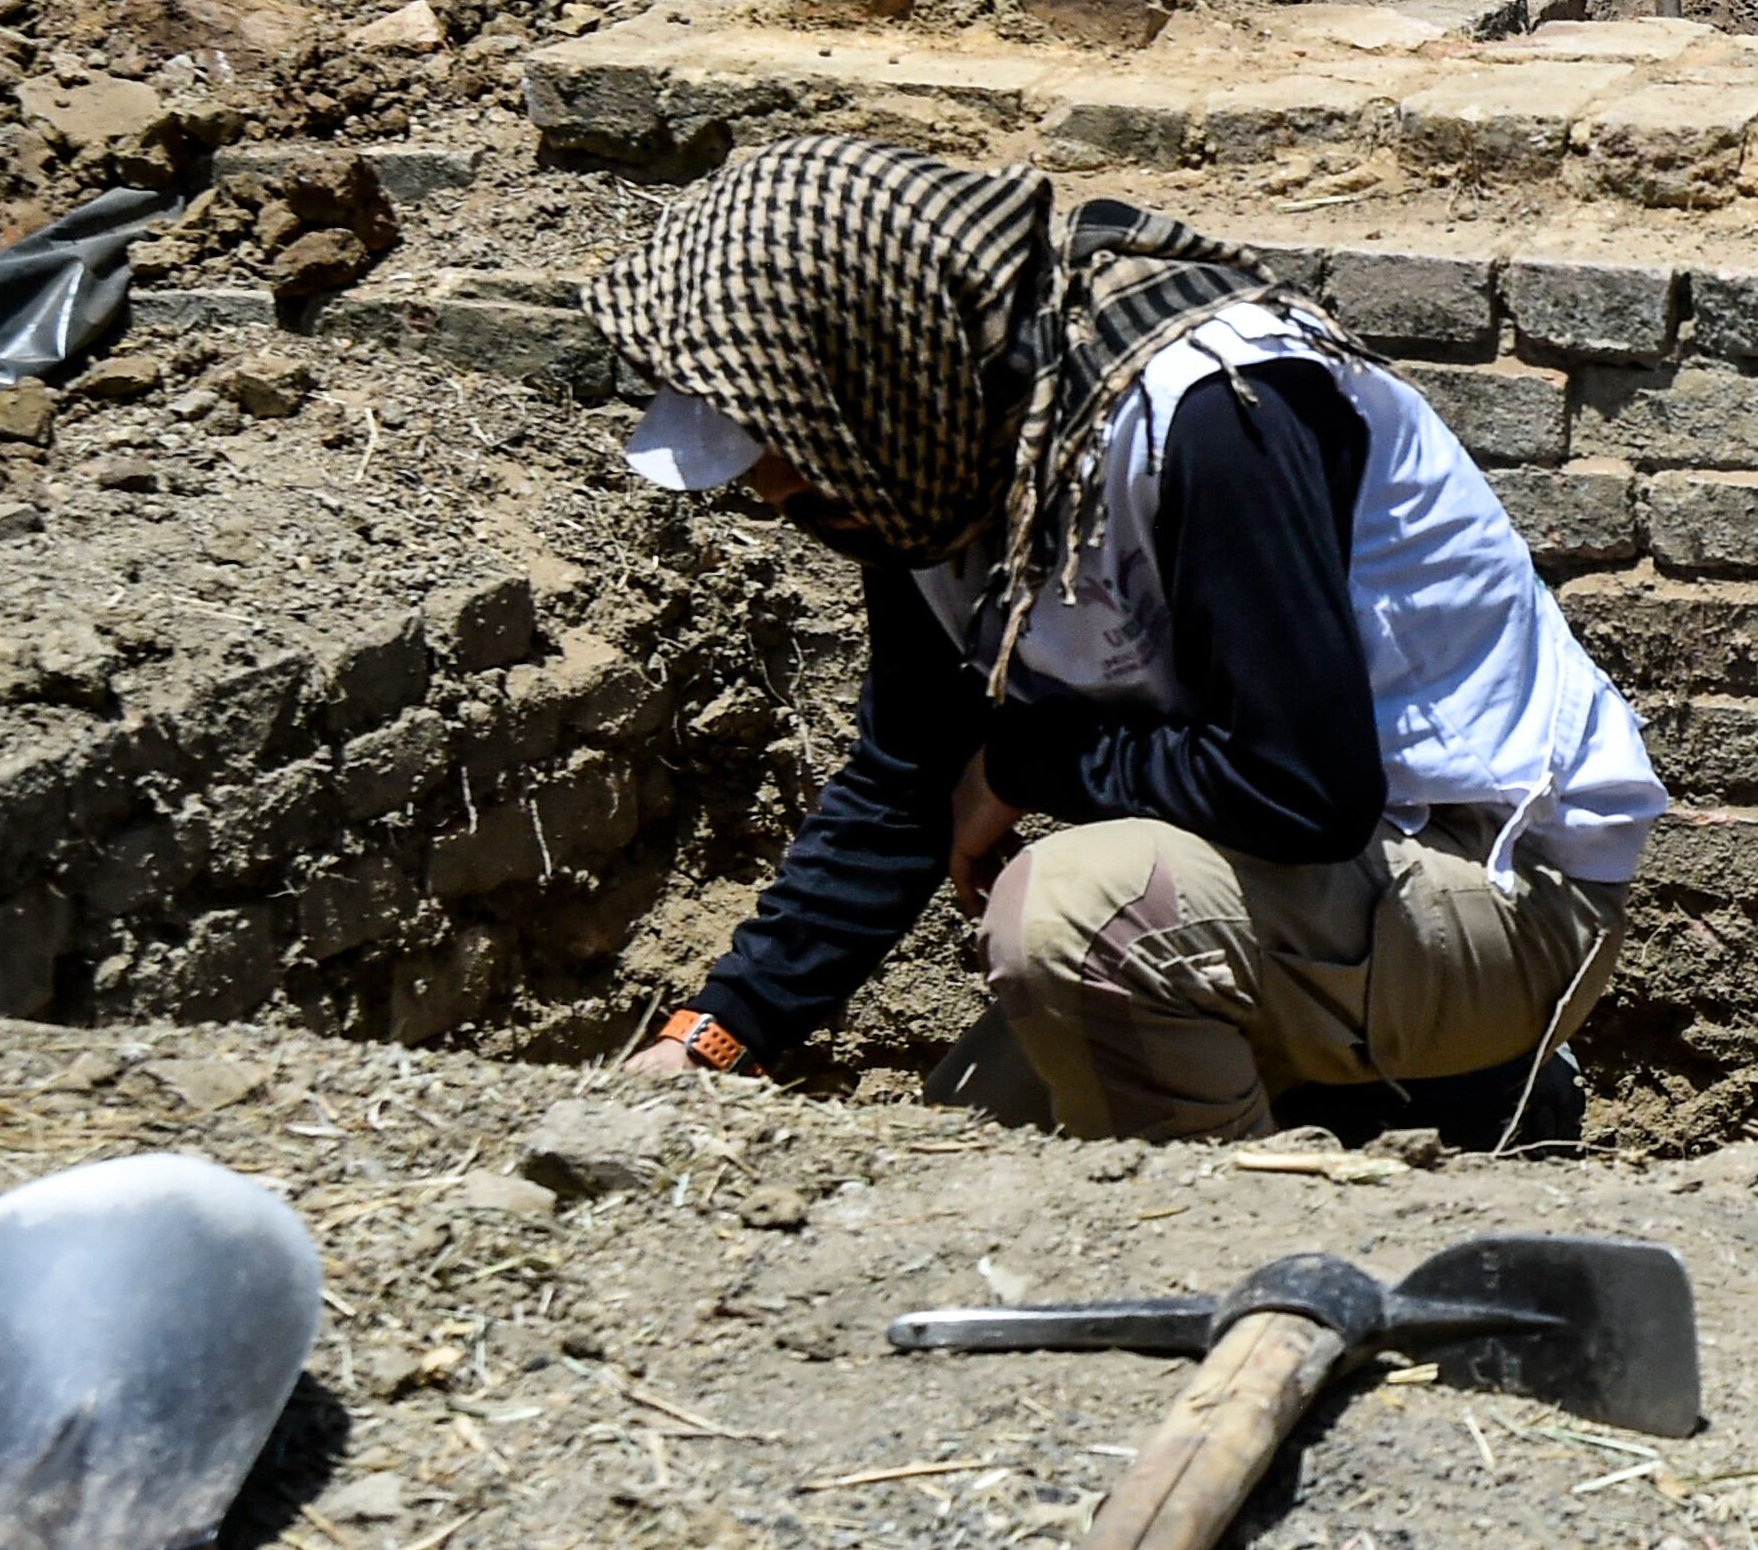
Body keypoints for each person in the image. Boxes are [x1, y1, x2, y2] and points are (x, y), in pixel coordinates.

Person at [585, 137, 1664, 1145]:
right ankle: (1425, 1099)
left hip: (1498, 890)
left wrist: (1024, 760)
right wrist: (718, 1038)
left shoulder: (1209, 414)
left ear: (863, 361)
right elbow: (908, 777)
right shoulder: (925, 450)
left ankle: (1249, 1249)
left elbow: (1301, 788)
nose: (776, 490)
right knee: (971, 1159)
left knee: (1069, 916)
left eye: (785, 451)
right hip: (1313, 886)